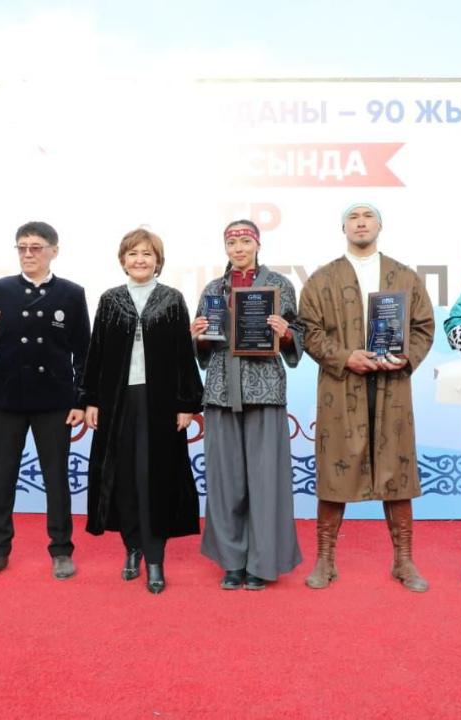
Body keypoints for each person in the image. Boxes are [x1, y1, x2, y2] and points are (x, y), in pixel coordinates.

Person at [298, 203, 434, 592]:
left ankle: (403, 561)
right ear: (343, 227)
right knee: (335, 470)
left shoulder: (403, 276)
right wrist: (345, 357)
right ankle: (325, 560)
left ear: (379, 225)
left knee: (397, 471)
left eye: (367, 216)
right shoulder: (322, 279)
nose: (360, 223)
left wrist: (406, 357)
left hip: (392, 386)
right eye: (353, 218)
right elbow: (308, 330)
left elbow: (423, 326)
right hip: (341, 388)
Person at [80, 228, 203, 594]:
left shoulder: (172, 299)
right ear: (123, 260)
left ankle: (155, 558)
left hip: (159, 403)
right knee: (124, 478)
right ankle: (131, 547)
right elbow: (96, 352)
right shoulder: (110, 300)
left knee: (155, 478)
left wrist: (186, 404)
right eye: (133, 253)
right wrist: (90, 400)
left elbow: (183, 354)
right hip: (116, 402)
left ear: (158, 261)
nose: (140, 259)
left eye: (147, 254)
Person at [0, 222, 90, 580]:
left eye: (36, 247)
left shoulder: (71, 293)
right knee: (1, 477)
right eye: (22, 247)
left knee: (57, 478)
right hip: (5, 399)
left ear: (54, 250)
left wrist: (80, 401)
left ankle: (61, 550)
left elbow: (83, 353)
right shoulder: (0, 289)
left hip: (54, 401)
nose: (28, 254)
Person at [190, 219, 303, 590]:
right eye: (232, 242)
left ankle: (261, 562)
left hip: (264, 388)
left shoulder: (279, 285)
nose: (238, 248)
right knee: (225, 481)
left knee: (266, 480)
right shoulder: (213, 289)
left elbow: (297, 335)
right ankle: (232, 561)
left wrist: (286, 334)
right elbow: (204, 348)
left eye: (245, 241)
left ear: (257, 244)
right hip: (221, 389)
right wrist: (198, 337)